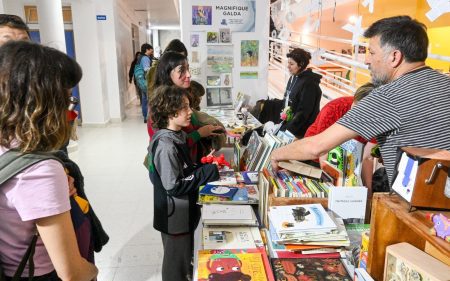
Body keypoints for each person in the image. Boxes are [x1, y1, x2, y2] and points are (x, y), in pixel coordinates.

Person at [271, 16, 450, 187]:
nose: (366, 60)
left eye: (371, 52)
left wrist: (276, 153)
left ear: (395, 57)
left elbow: (316, 146)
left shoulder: (387, 97)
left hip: (419, 211)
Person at [0, 41, 97, 280]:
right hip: (39, 272)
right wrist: (93, 270)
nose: (70, 110)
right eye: (67, 99)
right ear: (45, 103)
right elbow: (71, 272)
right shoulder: (39, 169)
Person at [147, 85, 219, 281]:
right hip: (174, 218)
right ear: (170, 111)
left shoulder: (178, 136)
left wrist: (201, 165)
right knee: (175, 266)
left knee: (184, 258)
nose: (190, 112)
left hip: (183, 212)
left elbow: (184, 169)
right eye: (185, 108)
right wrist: (206, 172)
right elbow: (173, 185)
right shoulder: (166, 146)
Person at [149, 51, 223, 163]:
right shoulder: (160, 105)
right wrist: (199, 133)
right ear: (167, 73)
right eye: (181, 70)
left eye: (188, 69)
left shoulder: (181, 97)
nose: (188, 75)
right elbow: (168, 145)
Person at [279, 48, 322, 138]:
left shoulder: (309, 84)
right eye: (288, 63)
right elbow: (288, 100)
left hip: (302, 132)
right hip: (292, 127)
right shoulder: (294, 77)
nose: (288, 66)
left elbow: (303, 113)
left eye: (292, 64)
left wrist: (286, 132)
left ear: (301, 64)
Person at [136, 43, 153, 122]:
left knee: (144, 99)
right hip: (146, 81)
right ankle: (148, 117)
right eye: (150, 49)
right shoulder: (145, 58)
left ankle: (145, 116)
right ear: (147, 50)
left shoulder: (140, 57)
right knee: (148, 99)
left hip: (141, 81)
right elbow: (147, 69)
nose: (152, 51)